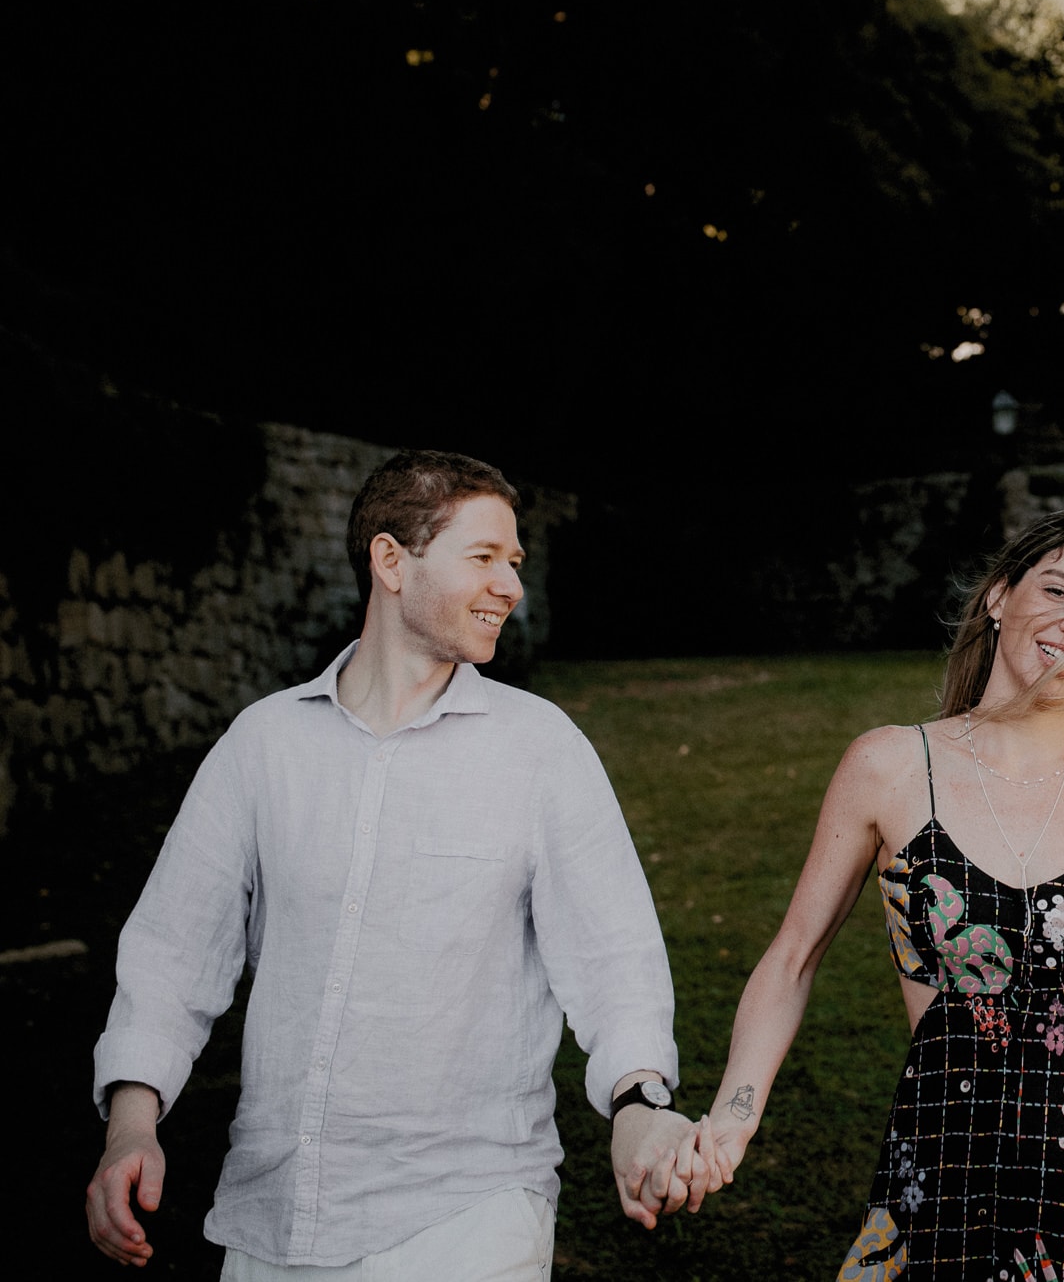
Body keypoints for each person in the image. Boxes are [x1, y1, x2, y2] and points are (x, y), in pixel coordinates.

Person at [86, 450, 699, 1276]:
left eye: (514, 561)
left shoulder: (540, 749)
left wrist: (637, 1102)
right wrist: (132, 1123)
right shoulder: (263, 745)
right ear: (390, 561)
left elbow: (615, 958)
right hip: (273, 1223)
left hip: (469, 1216)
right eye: (483, 557)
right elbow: (170, 956)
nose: (511, 585)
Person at [692, 501, 1064, 1279]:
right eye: (1061, 591)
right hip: (945, 1165)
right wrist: (732, 1122)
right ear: (1000, 594)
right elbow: (792, 958)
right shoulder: (890, 765)